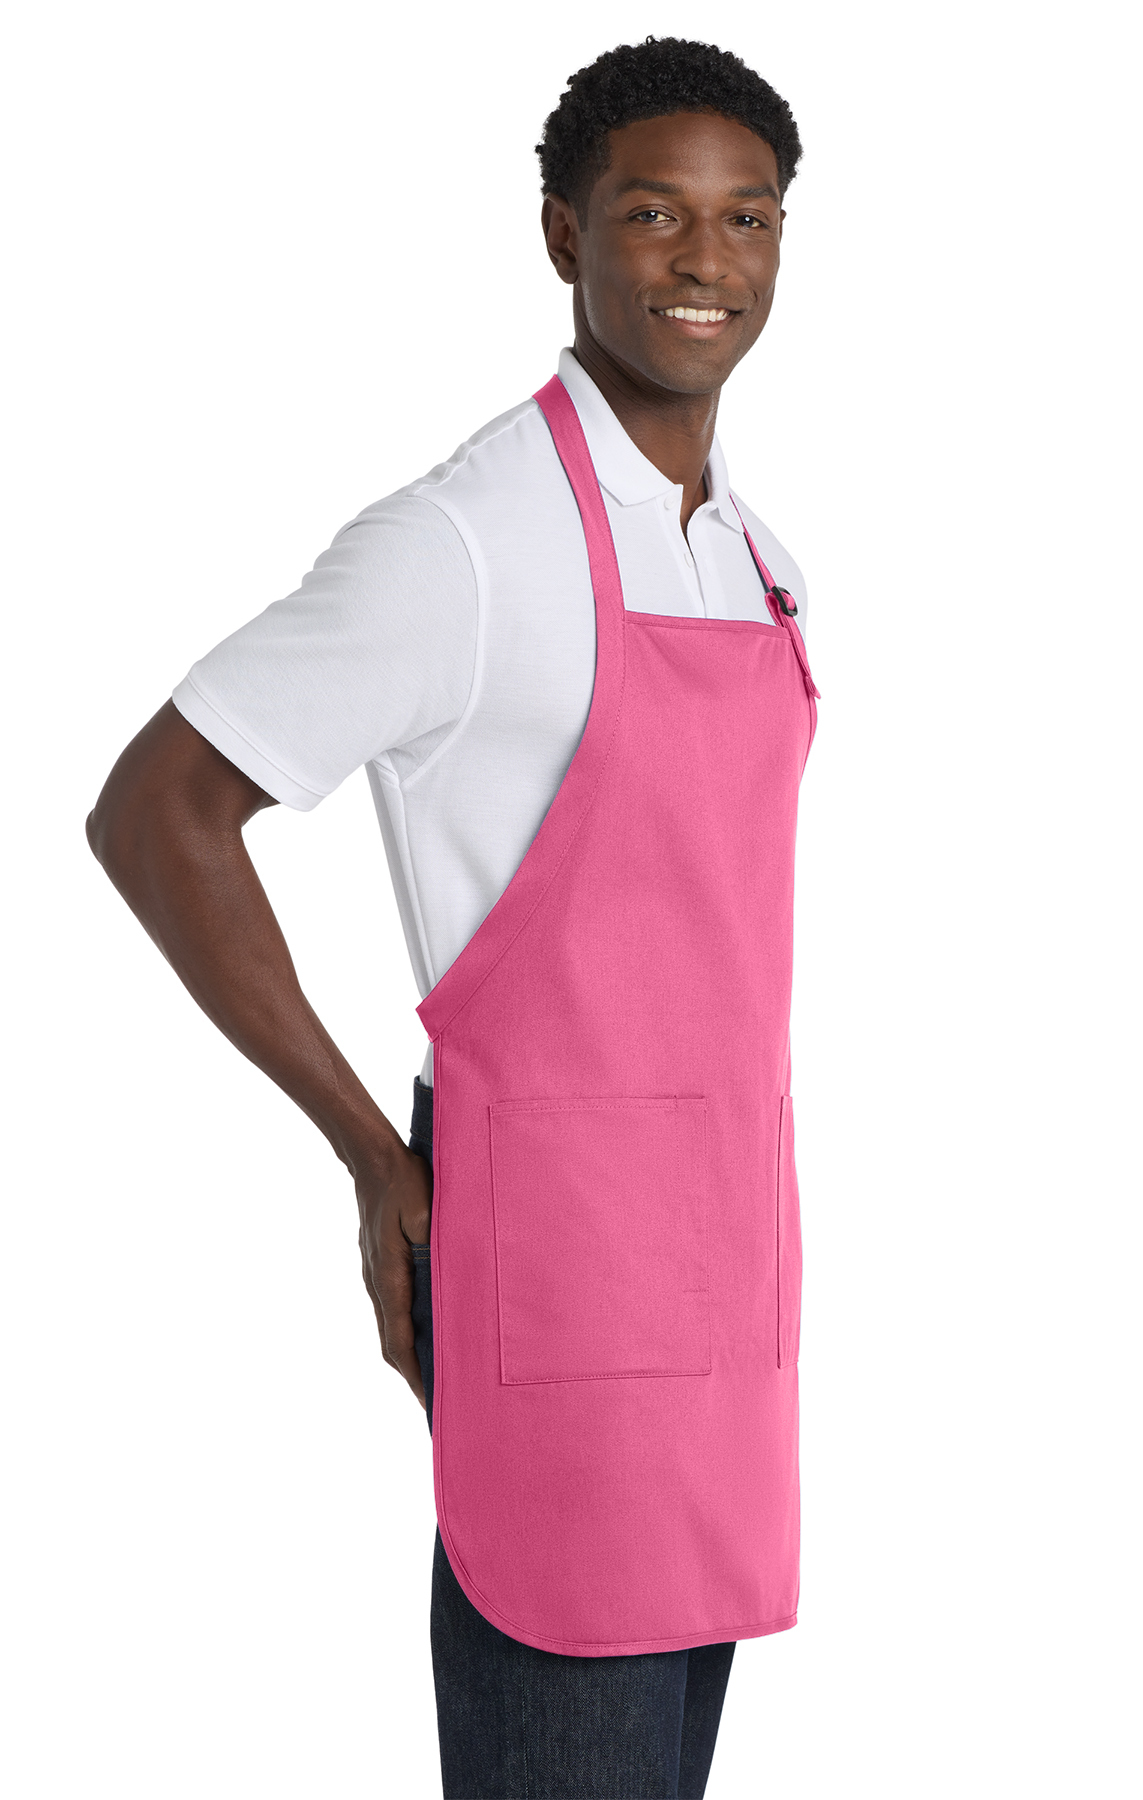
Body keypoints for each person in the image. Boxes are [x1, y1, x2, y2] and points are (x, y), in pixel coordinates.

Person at [87, 36, 818, 1800]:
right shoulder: (470, 543)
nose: (705, 260)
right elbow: (158, 811)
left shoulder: (755, 553)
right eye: (652, 213)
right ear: (563, 232)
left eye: (747, 218)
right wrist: (371, 1155)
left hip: (725, 1274)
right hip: (558, 1263)